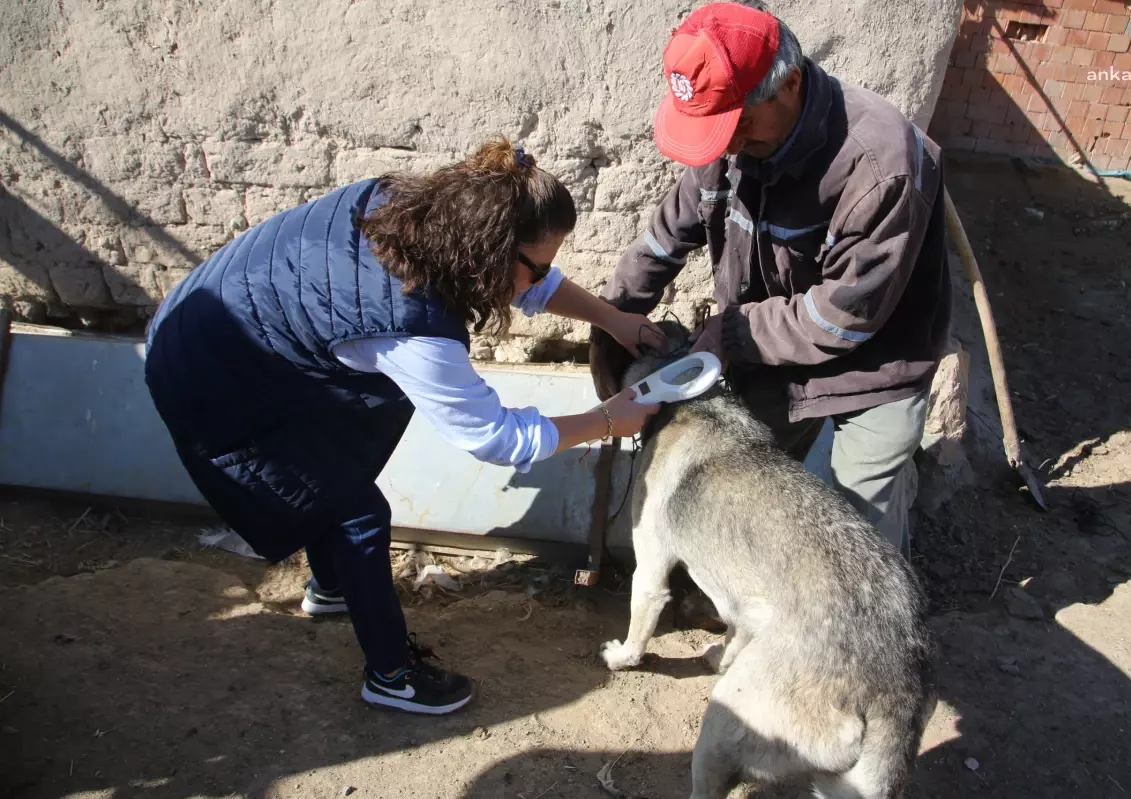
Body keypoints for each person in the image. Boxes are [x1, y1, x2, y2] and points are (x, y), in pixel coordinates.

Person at [143, 138, 664, 715]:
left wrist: (614, 319)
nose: (538, 280)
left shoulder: (416, 210)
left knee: (331, 467)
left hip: (225, 321)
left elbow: (533, 280)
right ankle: (391, 676)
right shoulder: (409, 324)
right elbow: (495, 437)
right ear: (489, 252)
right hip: (210, 375)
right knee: (357, 512)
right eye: (535, 266)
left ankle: (333, 588)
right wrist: (607, 421)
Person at [589, 1, 951, 559]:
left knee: (863, 538)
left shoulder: (880, 167)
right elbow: (664, 240)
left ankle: (878, 638)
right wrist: (614, 320)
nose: (727, 145)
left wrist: (731, 332)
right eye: (715, 131)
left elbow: (842, 316)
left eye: (739, 126)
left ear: (791, 85)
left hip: (874, 367)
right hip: (771, 357)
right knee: (746, 497)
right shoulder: (727, 144)